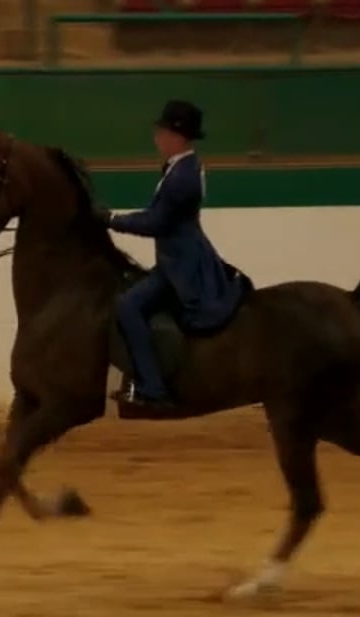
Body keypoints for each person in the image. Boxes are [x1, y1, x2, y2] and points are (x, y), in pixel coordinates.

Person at [101, 100, 249, 410]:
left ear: (176, 136)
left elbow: (156, 222)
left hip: (181, 267)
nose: (157, 137)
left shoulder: (182, 177)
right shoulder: (183, 166)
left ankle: (153, 389)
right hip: (179, 258)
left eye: (161, 131)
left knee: (128, 307)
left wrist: (112, 219)